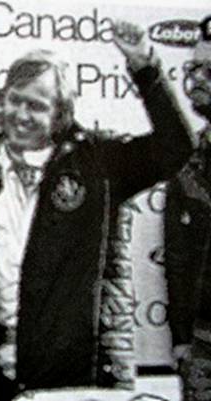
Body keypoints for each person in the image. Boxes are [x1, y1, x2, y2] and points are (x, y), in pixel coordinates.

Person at [0, 21, 192, 401]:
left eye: (36, 106)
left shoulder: (97, 164)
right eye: (15, 100)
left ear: (60, 114)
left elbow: (176, 147)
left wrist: (145, 68)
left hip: (72, 372)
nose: (21, 114)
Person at [164, 16, 211, 401]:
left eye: (210, 71)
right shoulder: (187, 160)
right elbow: (178, 257)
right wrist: (182, 339)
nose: (197, 80)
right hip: (203, 345)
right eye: (192, 68)